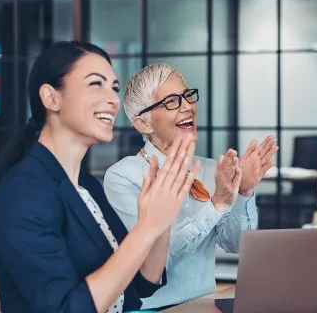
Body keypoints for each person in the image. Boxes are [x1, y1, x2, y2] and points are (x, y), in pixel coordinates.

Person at [0, 41, 199, 312]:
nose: (113, 99)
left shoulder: (87, 186)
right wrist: (147, 228)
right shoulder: (22, 195)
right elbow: (65, 308)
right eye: (95, 84)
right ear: (51, 98)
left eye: (113, 87)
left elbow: (141, 284)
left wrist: (162, 222)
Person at [103, 63, 277, 309]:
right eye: (172, 101)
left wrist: (243, 192)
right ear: (143, 124)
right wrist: (216, 205)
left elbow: (235, 243)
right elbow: (153, 263)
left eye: (186, 96)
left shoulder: (208, 168)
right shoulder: (123, 176)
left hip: (206, 304)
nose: (187, 106)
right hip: (153, 309)